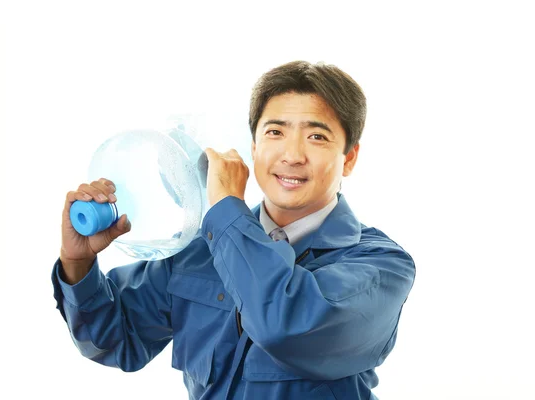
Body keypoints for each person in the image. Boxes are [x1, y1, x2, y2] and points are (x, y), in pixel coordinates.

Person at [52, 60, 416, 400]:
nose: (291, 155)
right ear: (254, 147)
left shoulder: (381, 267)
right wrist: (77, 263)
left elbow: (283, 325)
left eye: (317, 137)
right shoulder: (200, 250)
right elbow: (115, 340)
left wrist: (226, 207)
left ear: (349, 158)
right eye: (275, 132)